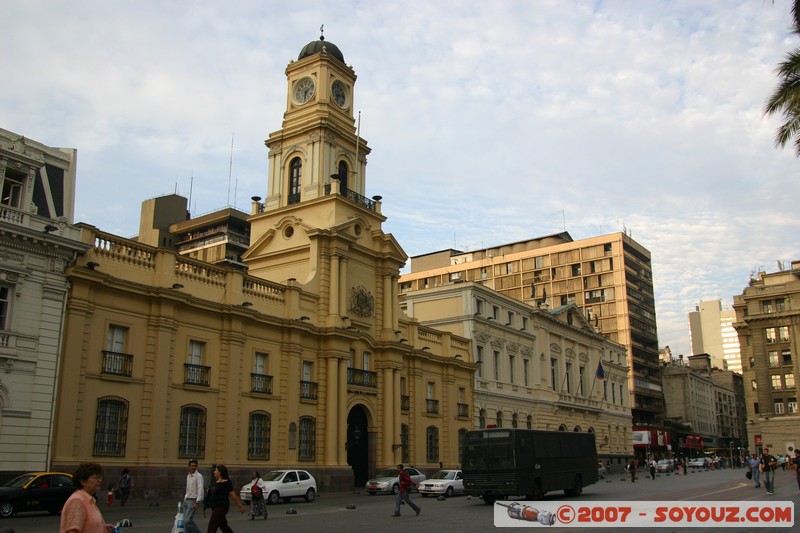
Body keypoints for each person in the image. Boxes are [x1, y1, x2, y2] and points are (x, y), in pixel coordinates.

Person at [60, 462, 116, 533]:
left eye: (100, 477)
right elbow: (72, 531)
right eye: (96, 478)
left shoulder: (89, 500)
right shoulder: (77, 500)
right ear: (83, 481)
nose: (100, 480)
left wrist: (102, 527)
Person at [206, 464, 244, 533]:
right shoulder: (215, 482)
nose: (214, 472)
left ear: (220, 472)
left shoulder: (227, 482)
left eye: (216, 470)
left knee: (212, 525)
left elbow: (233, 495)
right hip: (214, 507)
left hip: (221, 507)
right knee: (223, 526)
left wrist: (240, 506)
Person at [183, 459, 205, 533]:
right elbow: (187, 488)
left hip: (193, 500)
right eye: (192, 466)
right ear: (189, 466)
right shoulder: (188, 475)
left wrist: (197, 502)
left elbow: (200, 489)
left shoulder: (198, 476)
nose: (193, 467)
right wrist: (185, 498)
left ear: (197, 466)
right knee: (184, 521)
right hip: (186, 499)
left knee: (188, 521)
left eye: (195, 466)